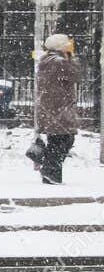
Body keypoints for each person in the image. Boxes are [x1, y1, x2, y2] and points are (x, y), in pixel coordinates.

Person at [35, 32, 81, 185]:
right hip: (59, 109)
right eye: (67, 44)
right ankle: (50, 172)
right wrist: (72, 58)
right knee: (64, 139)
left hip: (53, 108)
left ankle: (50, 171)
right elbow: (76, 75)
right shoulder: (59, 62)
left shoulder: (48, 60)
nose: (70, 47)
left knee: (57, 140)